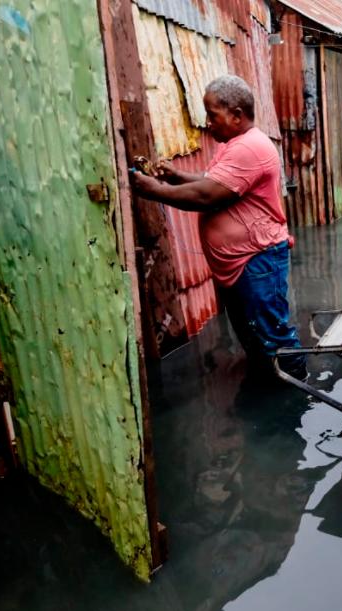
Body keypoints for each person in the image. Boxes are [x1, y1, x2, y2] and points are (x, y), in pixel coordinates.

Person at [131, 74, 306, 381]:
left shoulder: (249, 148)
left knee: (273, 335)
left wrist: (151, 189)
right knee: (254, 335)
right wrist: (175, 177)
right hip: (247, 263)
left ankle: (295, 393)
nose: (208, 123)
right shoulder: (234, 145)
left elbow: (206, 195)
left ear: (237, 115)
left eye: (213, 115)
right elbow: (212, 181)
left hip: (258, 260)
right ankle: (268, 382)